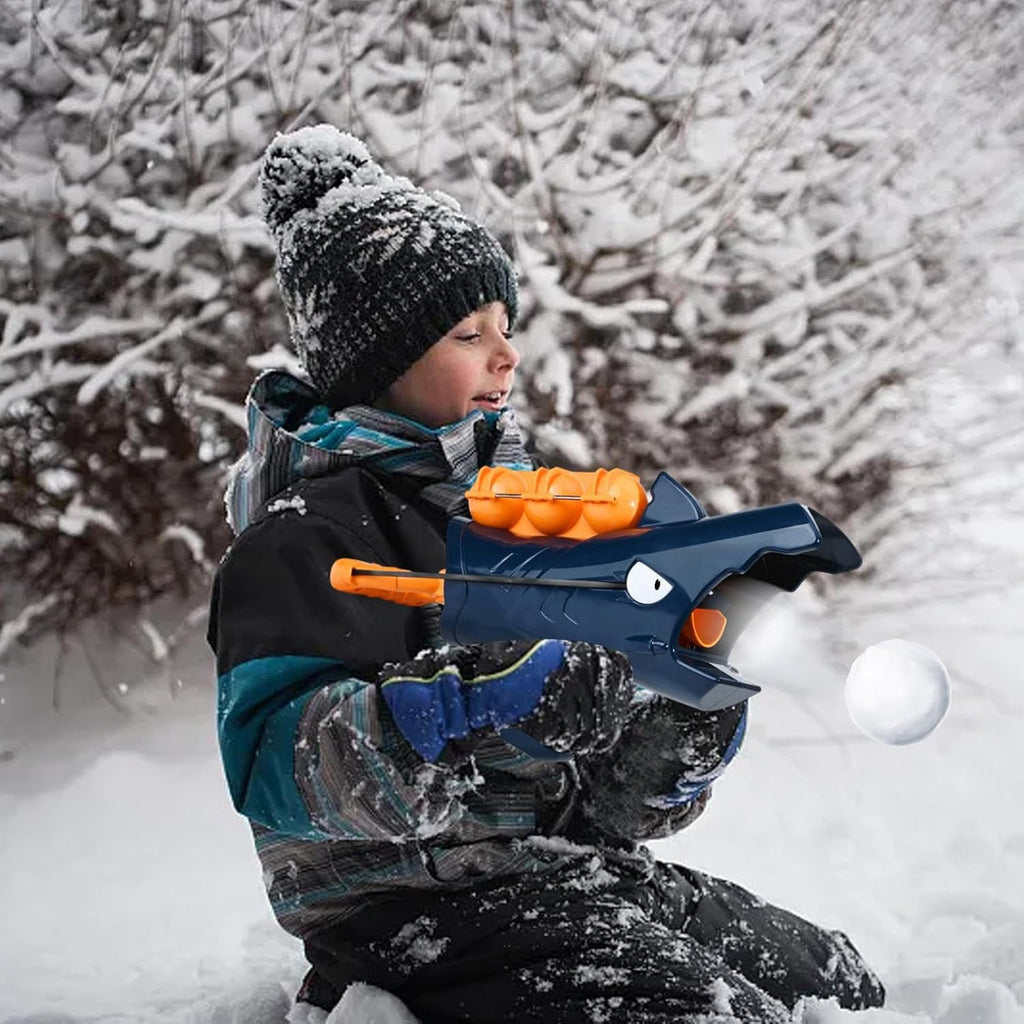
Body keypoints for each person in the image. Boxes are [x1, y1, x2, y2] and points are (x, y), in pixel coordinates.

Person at [207, 125, 885, 1023]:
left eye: (506, 328)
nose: (507, 355)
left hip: (574, 881)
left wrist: (682, 715)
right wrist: (477, 701)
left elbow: (612, 810)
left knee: (842, 985)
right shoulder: (301, 543)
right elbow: (273, 767)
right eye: (468, 332)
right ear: (381, 363)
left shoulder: (525, 516)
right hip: (414, 918)